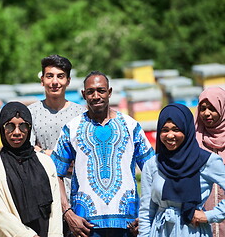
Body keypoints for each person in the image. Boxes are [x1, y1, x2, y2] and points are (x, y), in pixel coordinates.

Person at [51, 71, 155, 237]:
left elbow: (153, 170)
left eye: (101, 90)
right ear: (83, 95)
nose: (96, 96)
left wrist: (147, 213)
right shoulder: (72, 128)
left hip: (128, 224)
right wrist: (68, 213)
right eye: (91, 91)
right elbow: (54, 173)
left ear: (110, 92)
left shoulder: (131, 126)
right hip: (85, 225)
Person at [138, 103, 225, 237]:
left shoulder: (206, 161)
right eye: (165, 130)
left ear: (187, 130)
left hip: (193, 231)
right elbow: (146, 210)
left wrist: (209, 215)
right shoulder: (153, 164)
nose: (170, 135)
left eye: (176, 129)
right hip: (161, 231)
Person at [28, 54, 86, 236]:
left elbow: (86, 155)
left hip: (78, 193)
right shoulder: (31, 112)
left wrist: (42, 151)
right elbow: (28, 153)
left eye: (60, 76)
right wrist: (62, 159)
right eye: (50, 76)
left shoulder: (81, 114)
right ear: (42, 81)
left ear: (68, 81)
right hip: (43, 191)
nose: (55, 82)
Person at [0, 101, 62, 237]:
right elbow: (1, 214)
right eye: (10, 126)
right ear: (2, 129)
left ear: (29, 128)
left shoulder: (45, 162)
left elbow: (55, 206)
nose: (17, 132)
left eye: (23, 126)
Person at [195, 87, 225, 237]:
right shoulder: (194, 141)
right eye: (203, 108)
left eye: (212, 108)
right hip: (200, 223)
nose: (206, 113)